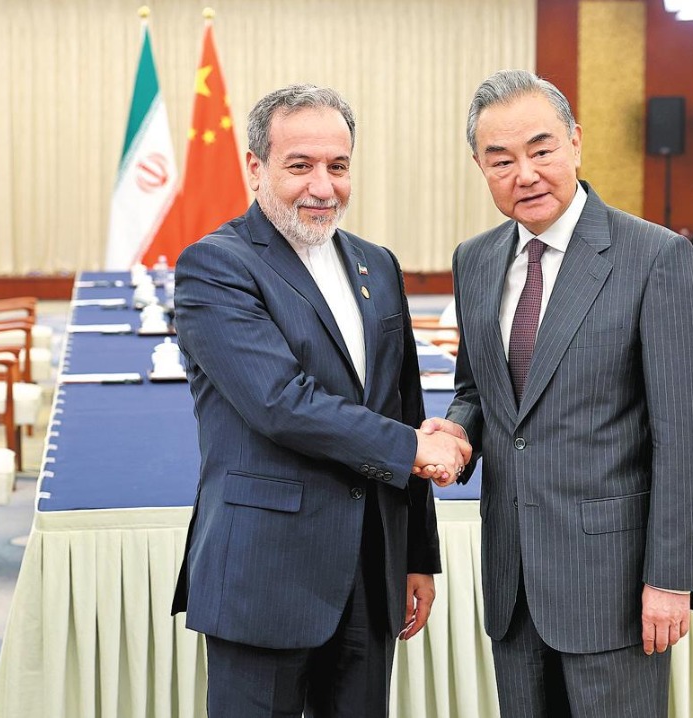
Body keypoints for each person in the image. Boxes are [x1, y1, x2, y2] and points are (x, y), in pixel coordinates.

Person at [422, 70, 693, 717]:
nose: (525, 174)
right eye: (501, 160)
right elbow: (477, 388)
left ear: (576, 142)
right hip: (513, 577)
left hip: (615, 582)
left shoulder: (654, 258)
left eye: (541, 149)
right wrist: (459, 429)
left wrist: (671, 578)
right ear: (480, 167)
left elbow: (685, 438)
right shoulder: (475, 260)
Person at [171, 84, 470, 717]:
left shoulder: (377, 265)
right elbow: (280, 402)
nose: (322, 186)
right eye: (300, 165)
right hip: (265, 572)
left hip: (372, 569)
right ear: (256, 168)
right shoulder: (216, 266)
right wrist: (415, 448)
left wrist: (416, 555)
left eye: (338, 166)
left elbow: (402, 404)